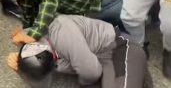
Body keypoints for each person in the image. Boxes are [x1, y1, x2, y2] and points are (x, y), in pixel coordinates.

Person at [7, 15, 148, 88]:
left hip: (120, 48)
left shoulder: (61, 31)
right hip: (98, 61)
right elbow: (45, 82)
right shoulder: (32, 47)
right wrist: (20, 69)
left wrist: (82, 72)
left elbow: (91, 72)